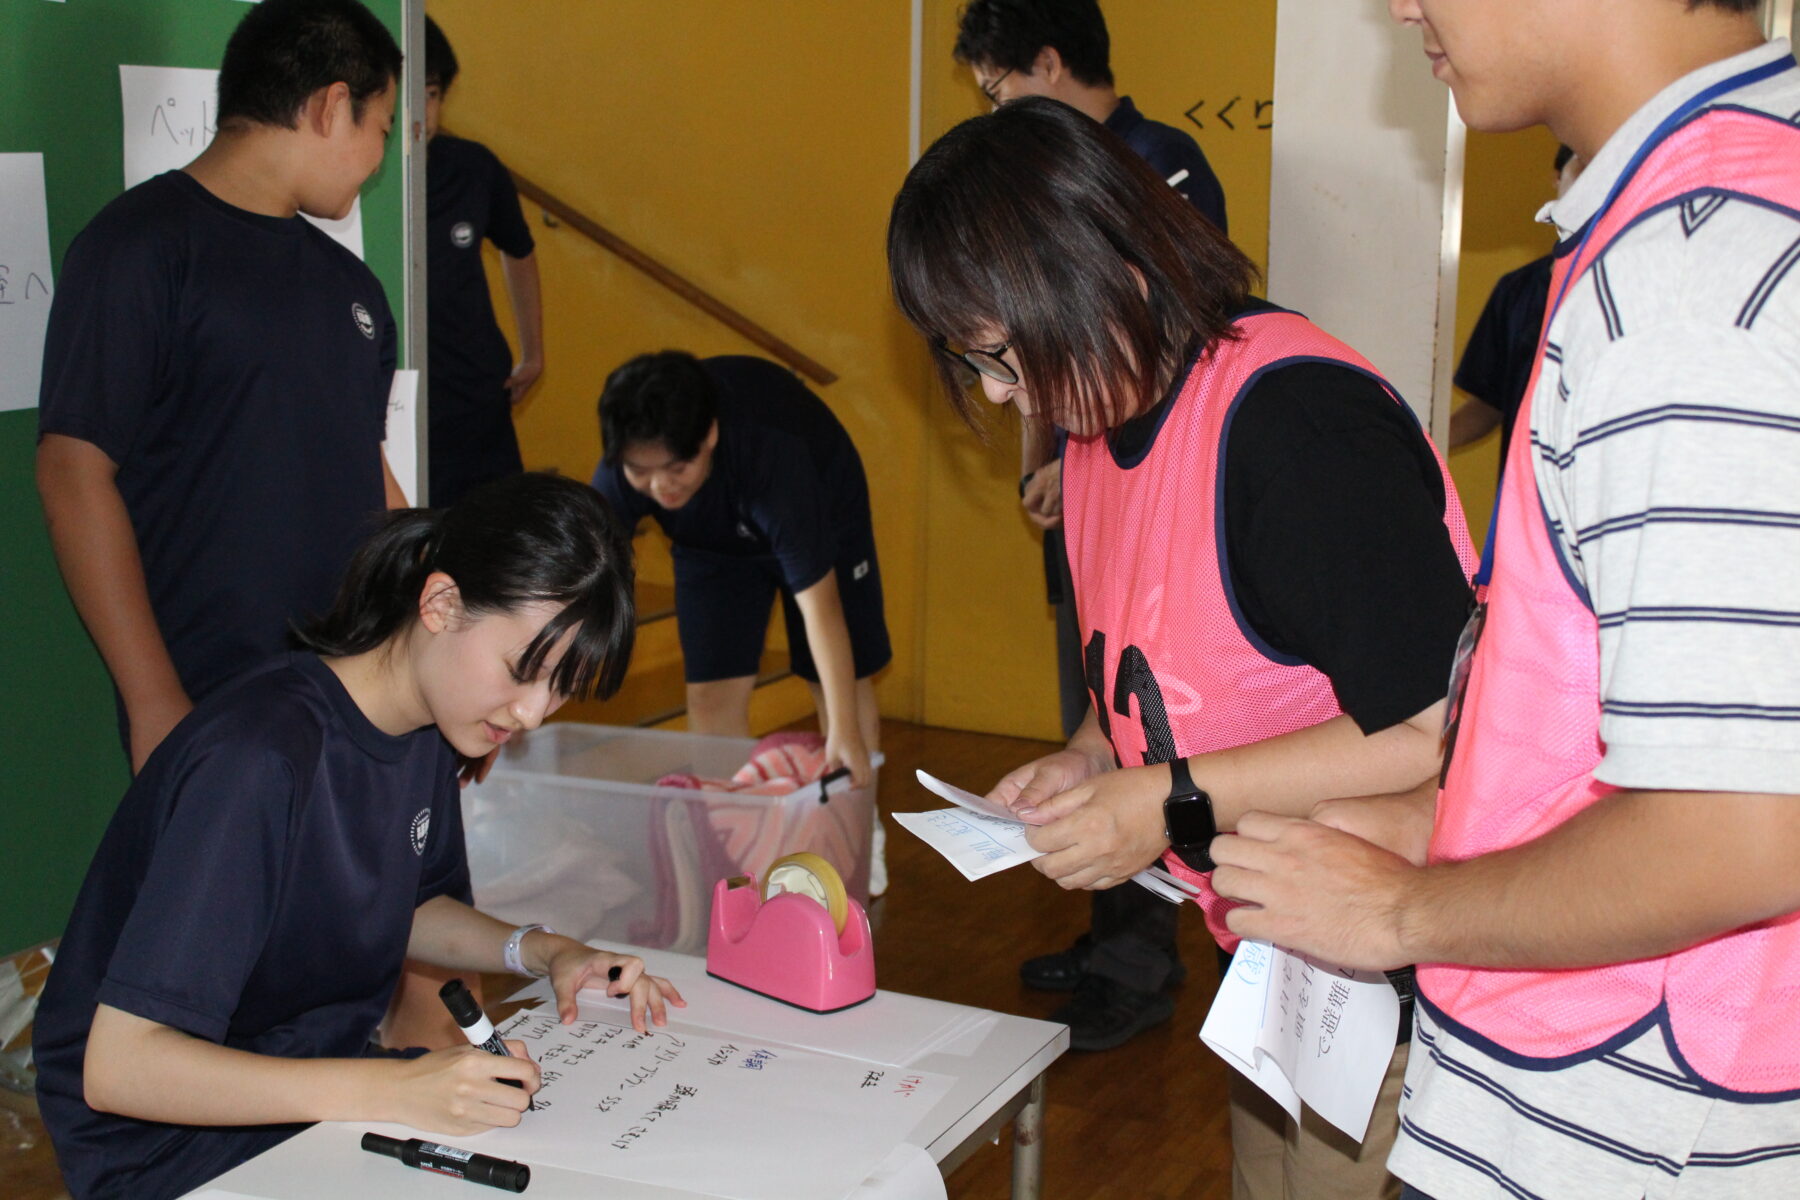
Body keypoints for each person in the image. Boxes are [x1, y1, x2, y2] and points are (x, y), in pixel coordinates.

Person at [1209, 3, 1800, 1198]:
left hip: (1627, 1116)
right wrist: (1451, 826)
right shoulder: (1697, 218)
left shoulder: (1692, 281)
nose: (1402, 3)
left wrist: (1407, 912)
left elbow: (1742, 832)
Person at [888, 96, 1475, 1198]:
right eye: (978, 367)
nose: (1007, 396)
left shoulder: (1295, 430)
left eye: (1008, 355)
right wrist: (1089, 756)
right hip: (1276, 956)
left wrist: (1166, 800)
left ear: (1104, 269)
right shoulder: (1104, 428)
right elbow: (1163, 664)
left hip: (1407, 977)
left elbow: (1438, 726)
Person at [32, 472, 684, 1200]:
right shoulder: (258, 760)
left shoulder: (431, 733)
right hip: (169, 1152)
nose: (534, 713)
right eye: (520, 672)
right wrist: (393, 1087)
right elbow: (122, 1069)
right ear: (440, 603)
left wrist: (547, 951)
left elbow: (403, 905)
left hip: (314, 1105)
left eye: (562, 686)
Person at [953, 0, 1232, 1037]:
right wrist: (1048, 460)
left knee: (1152, 727)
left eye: (998, 89)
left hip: (1147, 502)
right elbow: (1044, 351)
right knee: (1097, 716)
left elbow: (1154, 346)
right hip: (1090, 496)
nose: (994, 113)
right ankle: (1107, 930)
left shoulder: (1158, 161)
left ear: (1051, 62)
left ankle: (1137, 964)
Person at [35, 0, 409, 774]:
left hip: (357, 693)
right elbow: (72, 470)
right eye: (383, 126)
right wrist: (152, 699)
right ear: (332, 105)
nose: (382, 155)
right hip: (216, 708)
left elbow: (366, 476)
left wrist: (432, 647)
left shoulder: (356, 289)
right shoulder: (137, 248)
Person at [591, 351, 888, 792]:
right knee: (711, 694)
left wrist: (845, 736)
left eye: (676, 468)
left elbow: (822, 612)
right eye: (641, 472)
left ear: (709, 435)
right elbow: (574, 576)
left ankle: (856, 830)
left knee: (835, 689)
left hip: (821, 506)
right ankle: (725, 832)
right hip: (712, 544)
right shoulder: (621, 474)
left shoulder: (771, 457)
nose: (659, 487)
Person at [422, 16, 544, 506]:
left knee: (493, 538)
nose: (422, 112)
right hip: (392, 404)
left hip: (474, 394)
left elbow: (519, 249)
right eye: (408, 94)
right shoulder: (350, 178)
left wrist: (533, 351)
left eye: (431, 94)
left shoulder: (473, 167)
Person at [1447, 144, 1583, 460]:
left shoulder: (1626, 281)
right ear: (1556, 178)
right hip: (1523, 491)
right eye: (1581, 168)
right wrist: (1415, 445)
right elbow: (1489, 404)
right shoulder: (1516, 290)